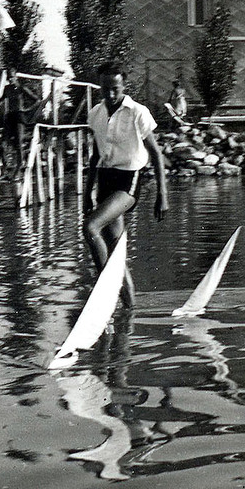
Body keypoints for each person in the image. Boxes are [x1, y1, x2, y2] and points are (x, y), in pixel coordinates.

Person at [85, 62, 168, 306]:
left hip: (128, 181)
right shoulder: (95, 113)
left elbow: (155, 152)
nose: (111, 95)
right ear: (100, 87)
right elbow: (94, 155)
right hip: (104, 179)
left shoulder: (137, 111)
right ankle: (130, 310)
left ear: (124, 86)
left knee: (90, 228)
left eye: (116, 89)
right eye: (105, 89)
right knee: (115, 251)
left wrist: (162, 194)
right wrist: (87, 191)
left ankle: (105, 290)